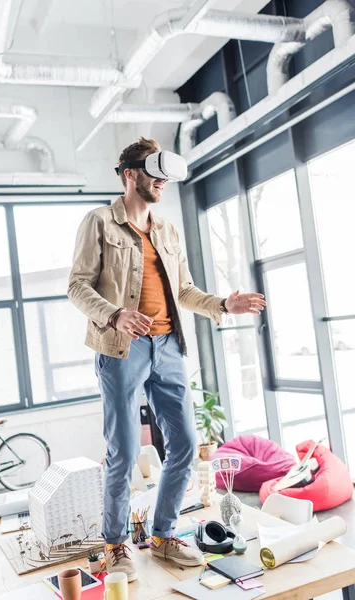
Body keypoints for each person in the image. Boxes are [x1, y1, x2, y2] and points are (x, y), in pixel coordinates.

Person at [68, 137, 266, 582]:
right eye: (153, 173)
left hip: (170, 347)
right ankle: (115, 546)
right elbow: (77, 285)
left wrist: (221, 305)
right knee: (123, 452)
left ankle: (161, 536)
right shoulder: (99, 222)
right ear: (130, 175)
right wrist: (115, 315)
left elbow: (183, 292)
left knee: (183, 445)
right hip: (121, 348)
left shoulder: (168, 230)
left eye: (164, 176)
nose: (161, 182)